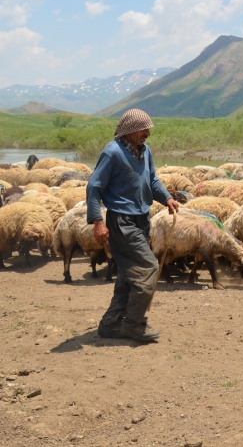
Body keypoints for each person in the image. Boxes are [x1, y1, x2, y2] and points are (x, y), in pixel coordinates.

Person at [87, 108, 179, 342]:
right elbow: (94, 187)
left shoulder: (145, 151)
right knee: (148, 268)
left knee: (129, 275)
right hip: (121, 221)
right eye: (143, 129)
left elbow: (152, 179)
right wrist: (98, 221)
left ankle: (110, 324)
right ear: (128, 130)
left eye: (148, 129)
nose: (147, 133)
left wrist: (166, 197)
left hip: (141, 219)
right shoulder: (113, 153)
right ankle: (134, 324)